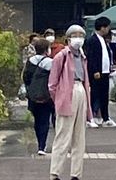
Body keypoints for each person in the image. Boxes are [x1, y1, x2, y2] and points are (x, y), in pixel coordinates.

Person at [49, 25, 92, 180]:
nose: (78, 38)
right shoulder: (62, 56)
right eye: (75, 35)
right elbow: (52, 84)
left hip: (81, 89)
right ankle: (55, 173)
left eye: (81, 35)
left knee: (79, 137)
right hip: (67, 92)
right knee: (63, 136)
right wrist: (58, 99)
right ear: (68, 38)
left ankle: (76, 174)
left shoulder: (82, 56)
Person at [23, 38, 54, 155]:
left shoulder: (30, 61)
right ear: (46, 50)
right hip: (46, 96)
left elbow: (25, 77)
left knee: (37, 120)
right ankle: (42, 145)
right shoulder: (49, 62)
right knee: (45, 120)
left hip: (33, 96)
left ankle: (39, 142)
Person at [85, 17, 116, 128]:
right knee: (94, 95)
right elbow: (91, 57)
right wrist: (95, 70)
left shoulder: (103, 40)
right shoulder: (92, 40)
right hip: (97, 72)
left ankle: (105, 117)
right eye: (108, 27)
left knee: (104, 96)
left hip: (105, 72)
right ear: (102, 27)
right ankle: (91, 117)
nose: (108, 29)